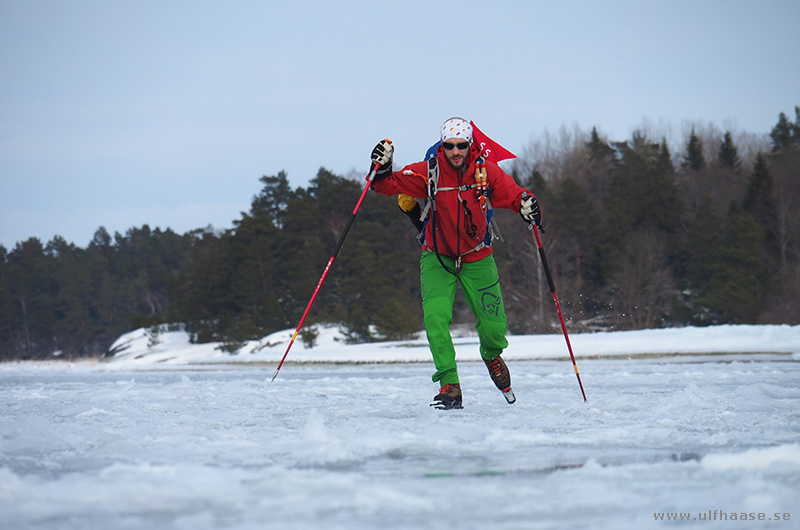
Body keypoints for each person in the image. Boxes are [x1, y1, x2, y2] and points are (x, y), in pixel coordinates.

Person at [370, 117, 541, 409]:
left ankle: (491, 355)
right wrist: (382, 168)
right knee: (435, 319)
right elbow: (387, 185)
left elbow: (514, 195)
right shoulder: (430, 171)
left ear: (470, 144)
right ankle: (449, 383)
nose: (455, 151)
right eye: (449, 146)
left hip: (478, 256)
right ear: (443, 145)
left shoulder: (486, 172)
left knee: (495, 325)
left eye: (461, 145)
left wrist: (527, 203)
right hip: (437, 256)